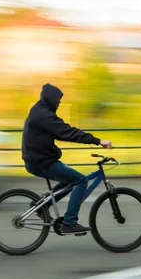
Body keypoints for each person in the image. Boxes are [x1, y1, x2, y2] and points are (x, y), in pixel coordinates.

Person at [22, 83, 112, 235]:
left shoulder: (40, 111)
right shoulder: (44, 115)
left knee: (69, 180)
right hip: (42, 162)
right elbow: (67, 132)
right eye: (58, 100)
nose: (59, 103)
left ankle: (42, 205)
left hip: (39, 159)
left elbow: (62, 132)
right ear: (50, 99)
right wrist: (98, 141)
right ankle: (69, 223)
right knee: (81, 180)